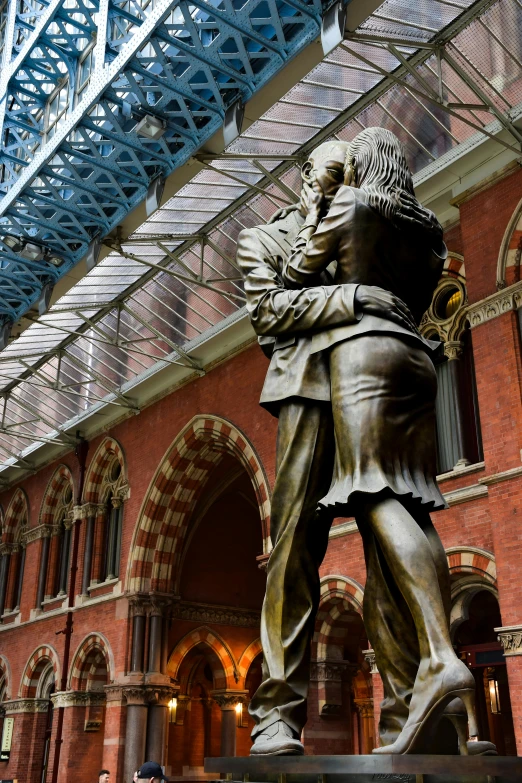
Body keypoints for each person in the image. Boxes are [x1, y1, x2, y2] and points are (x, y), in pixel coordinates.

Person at [282, 127, 478, 754]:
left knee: (373, 494)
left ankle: (440, 656)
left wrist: (318, 203)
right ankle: (437, 655)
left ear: (360, 166)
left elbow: (294, 272)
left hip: (364, 355)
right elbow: (420, 296)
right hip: (419, 360)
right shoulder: (425, 226)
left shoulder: (351, 206)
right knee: (416, 503)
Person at [236, 139, 422, 756]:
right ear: (303, 172)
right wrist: (355, 298)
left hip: (371, 385)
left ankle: (406, 711)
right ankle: (276, 717)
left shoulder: (363, 212)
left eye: (343, 167)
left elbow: (396, 287)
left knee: (391, 542)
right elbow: (269, 313)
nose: (333, 176)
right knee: (293, 546)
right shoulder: (261, 238)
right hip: (307, 390)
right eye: (324, 167)